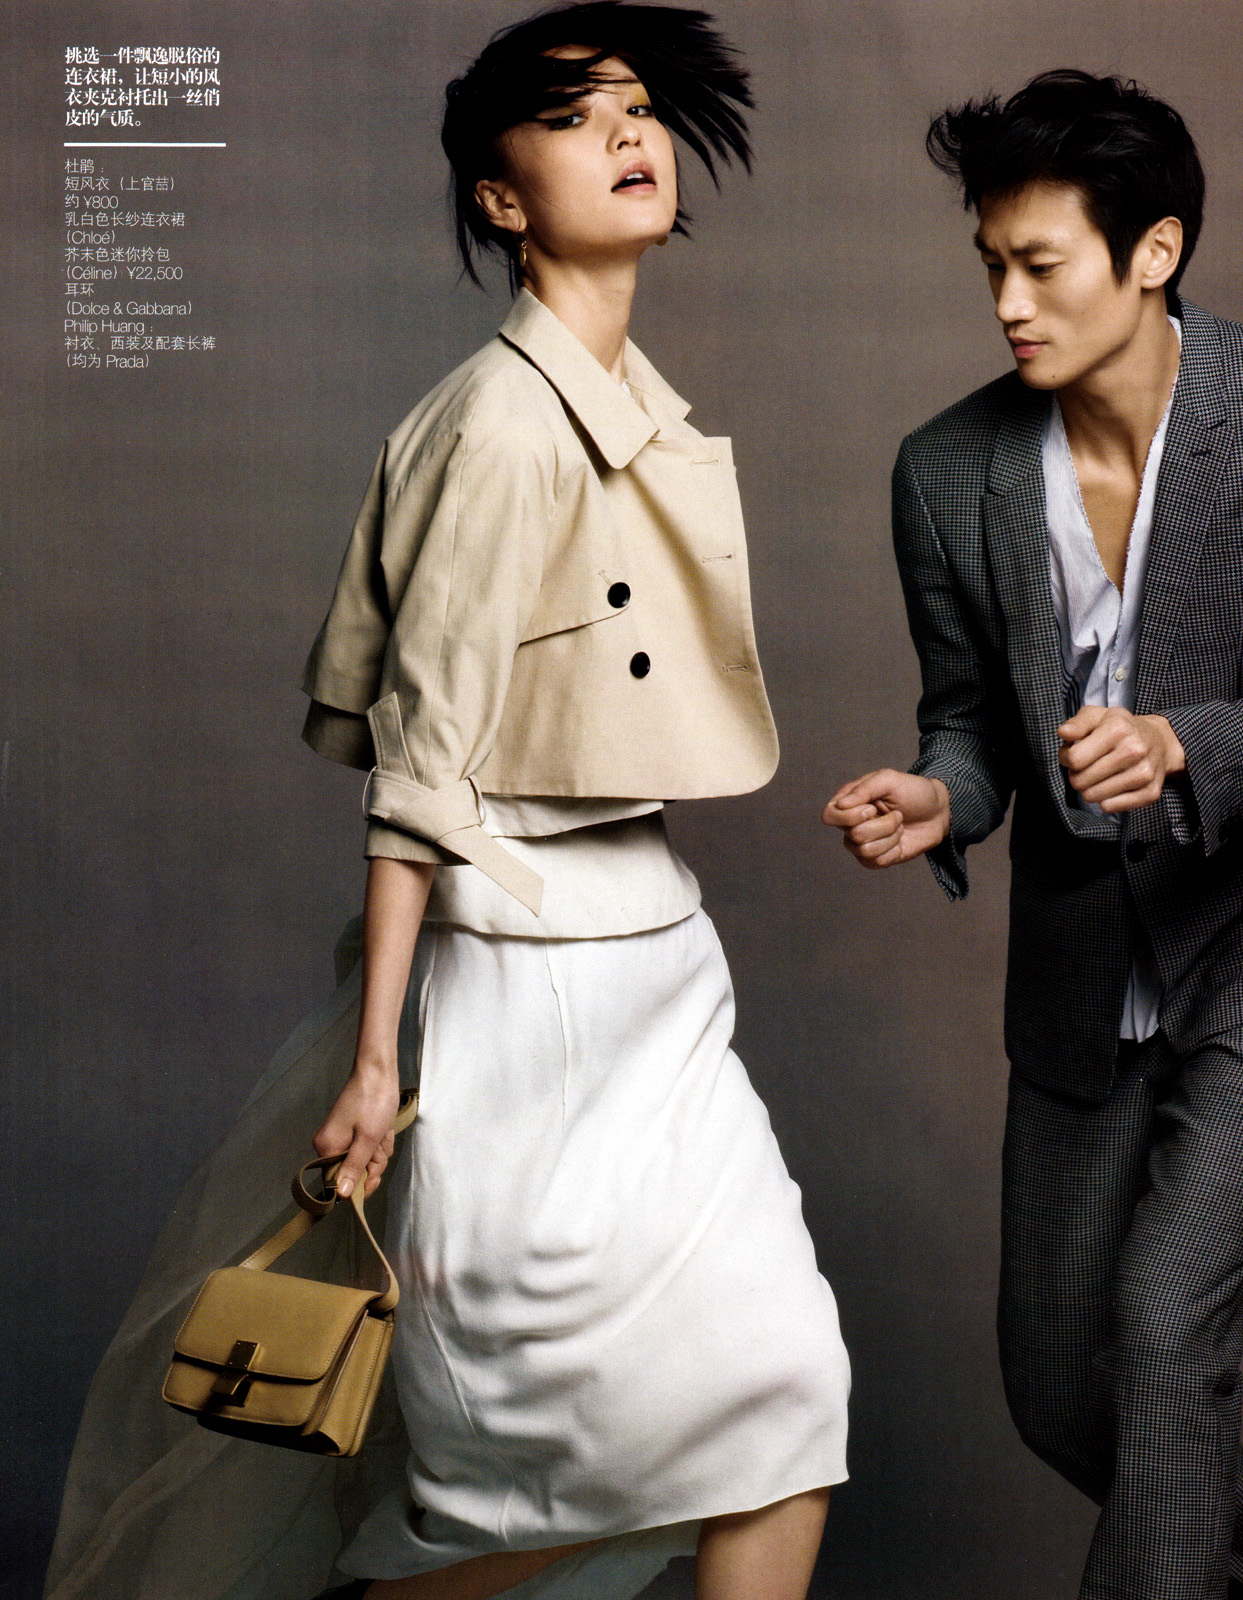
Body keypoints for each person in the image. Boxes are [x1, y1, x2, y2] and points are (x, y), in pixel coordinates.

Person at [43, 7, 848, 1600]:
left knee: (781, 1407)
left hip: (664, 979)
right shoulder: (498, 429)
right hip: (525, 1004)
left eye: (638, 108)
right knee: (547, 1484)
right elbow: (421, 768)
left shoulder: (638, 410)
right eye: (575, 120)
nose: (628, 135)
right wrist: (374, 1063)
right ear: (500, 198)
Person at [824, 67, 1243, 1600]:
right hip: (1075, 994)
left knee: (1167, 1330)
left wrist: (1188, 743)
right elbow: (971, 725)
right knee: (1060, 1383)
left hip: (1239, 963)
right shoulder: (948, 474)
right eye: (990, 265)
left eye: (1041, 264)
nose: (1006, 302)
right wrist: (942, 794)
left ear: (1154, 253)